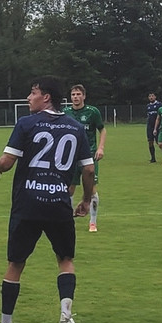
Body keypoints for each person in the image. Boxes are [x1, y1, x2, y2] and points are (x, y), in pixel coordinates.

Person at [0, 76, 94, 323]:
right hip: (59, 203)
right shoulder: (75, 127)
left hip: (27, 203)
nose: (28, 97)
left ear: (46, 97)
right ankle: (66, 315)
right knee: (65, 259)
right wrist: (85, 199)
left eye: (32, 92)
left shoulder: (26, 123)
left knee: (16, 263)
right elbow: (89, 169)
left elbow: (7, 162)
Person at [63, 84, 106, 232]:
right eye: (73, 94)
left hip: (89, 155)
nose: (75, 97)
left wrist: (100, 148)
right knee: (69, 189)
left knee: (91, 188)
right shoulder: (65, 112)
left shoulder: (92, 112)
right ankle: (68, 221)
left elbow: (102, 129)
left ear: (84, 96)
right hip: (71, 156)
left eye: (78, 94)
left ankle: (92, 222)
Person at [145, 92, 160, 162]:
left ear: (155, 97)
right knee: (150, 142)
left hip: (157, 126)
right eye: (150, 96)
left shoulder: (159, 105)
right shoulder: (148, 106)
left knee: (159, 142)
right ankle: (153, 158)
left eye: (152, 96)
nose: (151, 97)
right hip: (149, 126)